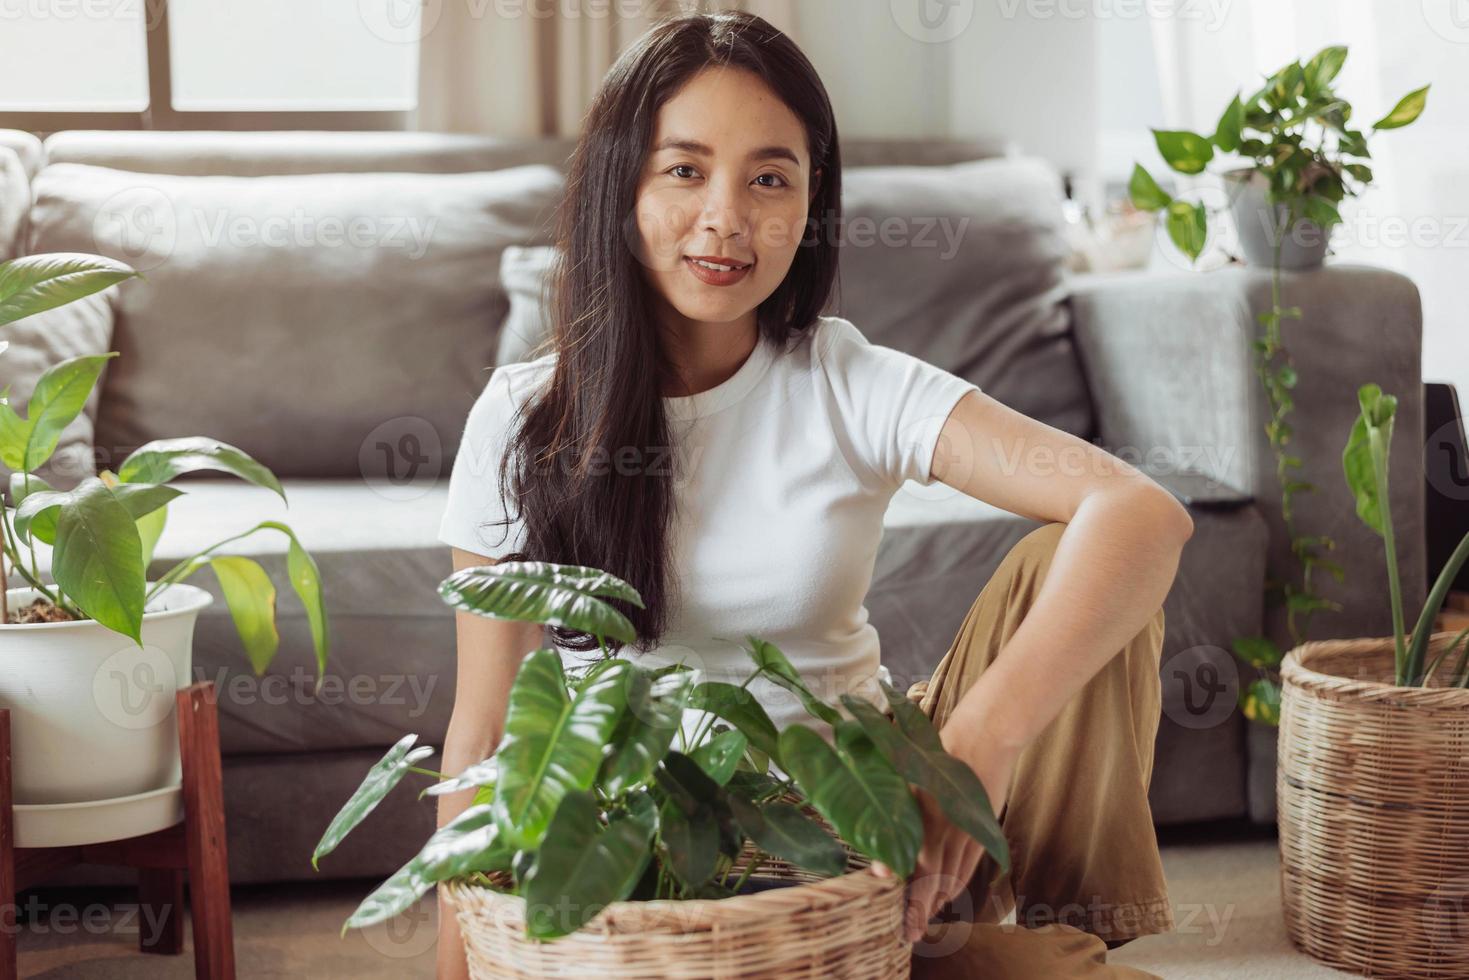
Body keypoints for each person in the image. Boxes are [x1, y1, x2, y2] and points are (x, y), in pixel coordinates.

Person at [434, 11, 1192, 979]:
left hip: (874, 827)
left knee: (1080, 561)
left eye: (768, 177)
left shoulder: (840, 377)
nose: (725, 216)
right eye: (683, 169)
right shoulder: (521, 416)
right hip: (658, 873)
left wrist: (975, 739)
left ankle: (1052, 923)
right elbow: (487, 734)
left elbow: (1139, 510)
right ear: (618, 186)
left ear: (809, 202)